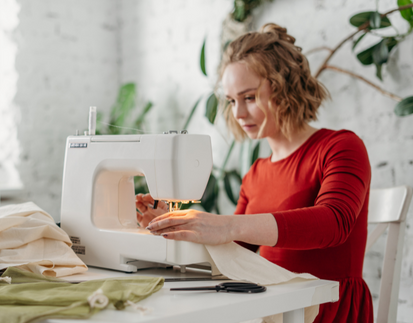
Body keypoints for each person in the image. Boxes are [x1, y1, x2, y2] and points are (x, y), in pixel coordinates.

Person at [135, 23, 373, 323]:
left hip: (324, 307)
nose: (237, 113)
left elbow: (334, 222)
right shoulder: (256, 173)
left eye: (249, 97)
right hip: (274, 304)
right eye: (232, 101)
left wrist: (228, 225)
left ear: (286, 89)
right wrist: (173, 227)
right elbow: (234, 253)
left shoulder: (340, 146)